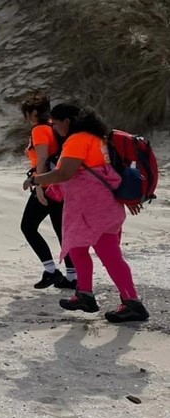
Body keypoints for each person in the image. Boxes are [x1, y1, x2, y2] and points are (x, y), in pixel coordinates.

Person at [30, 104, 149, 323]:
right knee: (77, 248)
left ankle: (133, 303)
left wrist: (35, 180)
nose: (55, 128)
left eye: (56, 123)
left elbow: (64, 173)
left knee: (109, 255)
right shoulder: (97, 138)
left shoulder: (78, 140)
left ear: (67, 121)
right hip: (101, 207)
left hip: (93, 210)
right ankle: (84, 294)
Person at [19, 92, 77, 290]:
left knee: (28, 226)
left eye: (27, 113)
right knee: (61, 230)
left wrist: (40, 187)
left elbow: (42, 159)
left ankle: (51, 270)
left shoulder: (40, 130)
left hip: (47, 183)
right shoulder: (54, 126)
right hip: (60, 183)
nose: (25, 118)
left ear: (34, 113)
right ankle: (72, 276)